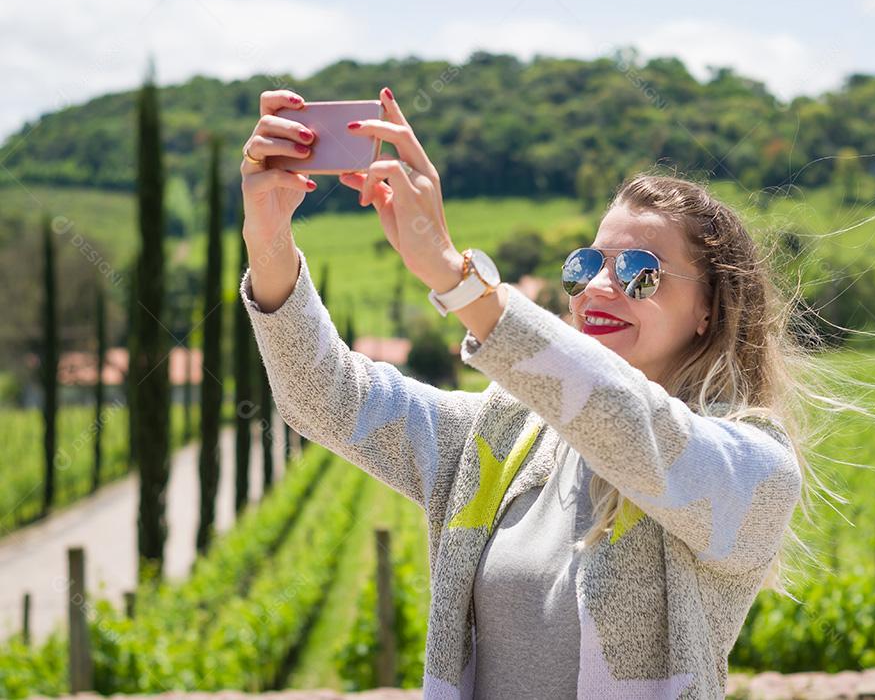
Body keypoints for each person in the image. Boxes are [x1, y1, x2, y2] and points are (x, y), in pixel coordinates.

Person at [239, 86, 808, 699]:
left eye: (639, 271)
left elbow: (630, 423)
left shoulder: (753, 469)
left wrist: (456, 278)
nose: (596, 289)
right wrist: (268, 238)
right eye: (584, 266)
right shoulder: (503, 438)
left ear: (708, 309)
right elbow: (323, 397)